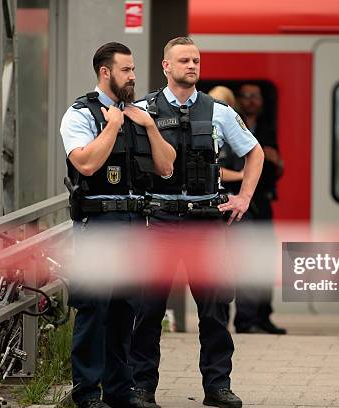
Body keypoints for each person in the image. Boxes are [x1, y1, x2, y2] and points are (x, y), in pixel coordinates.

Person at [131, 37, 264, 408]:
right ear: (166, 66)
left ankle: (217, 387)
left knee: (215, 309)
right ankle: (141, 389)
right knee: (147, 309)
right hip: (157, 221)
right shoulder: (143, 110)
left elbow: (254, 152)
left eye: (196, 60)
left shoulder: (218, 111)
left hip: (205, 221)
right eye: (184, 60)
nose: (192, 65)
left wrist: (244, 198)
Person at [60, 42, 175, 408]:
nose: (133, 76)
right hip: (98, 223)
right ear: (105, 73)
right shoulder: (80, 114)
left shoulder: (141, 113)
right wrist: (111, 127)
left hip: (134, 223)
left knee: (127, 309)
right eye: (126, 70)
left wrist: (152, 128)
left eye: (134, 69)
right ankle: (87, 393)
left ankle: (118, 391)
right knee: (95, 311)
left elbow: (166, 167)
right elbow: (87, 164)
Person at [211, 84, 286, 335]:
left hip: (245, 206)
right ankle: (232, 321)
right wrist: (242, 174)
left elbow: (259, 160)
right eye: (212, 101)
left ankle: (251, 320)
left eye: (222, 102)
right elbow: (214, 169)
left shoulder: (236, 131)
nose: (216, 107)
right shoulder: (208, 132)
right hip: (219, 206)